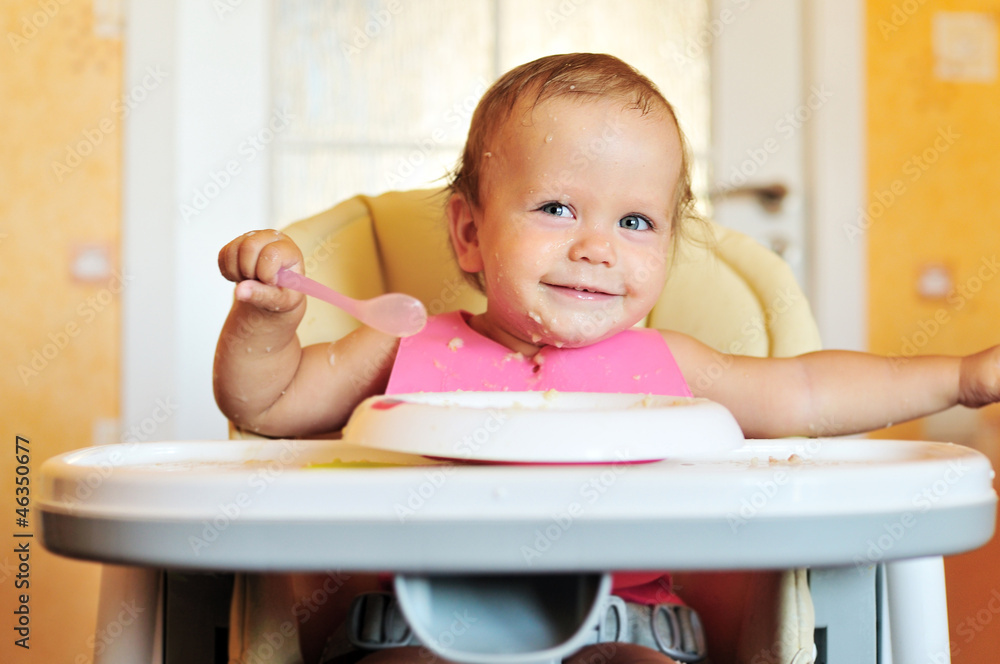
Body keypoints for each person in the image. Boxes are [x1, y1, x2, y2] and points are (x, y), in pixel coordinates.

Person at [215, 53, 1000, 664]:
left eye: (635, 222)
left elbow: (804, 391)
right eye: (556, 208)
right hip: (422, 625)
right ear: (469, 234)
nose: (597, 248)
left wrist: (962, 378)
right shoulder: (404, 343)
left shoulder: (667, 366)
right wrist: (268, 323)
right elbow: (267, 404)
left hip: (626, 628)